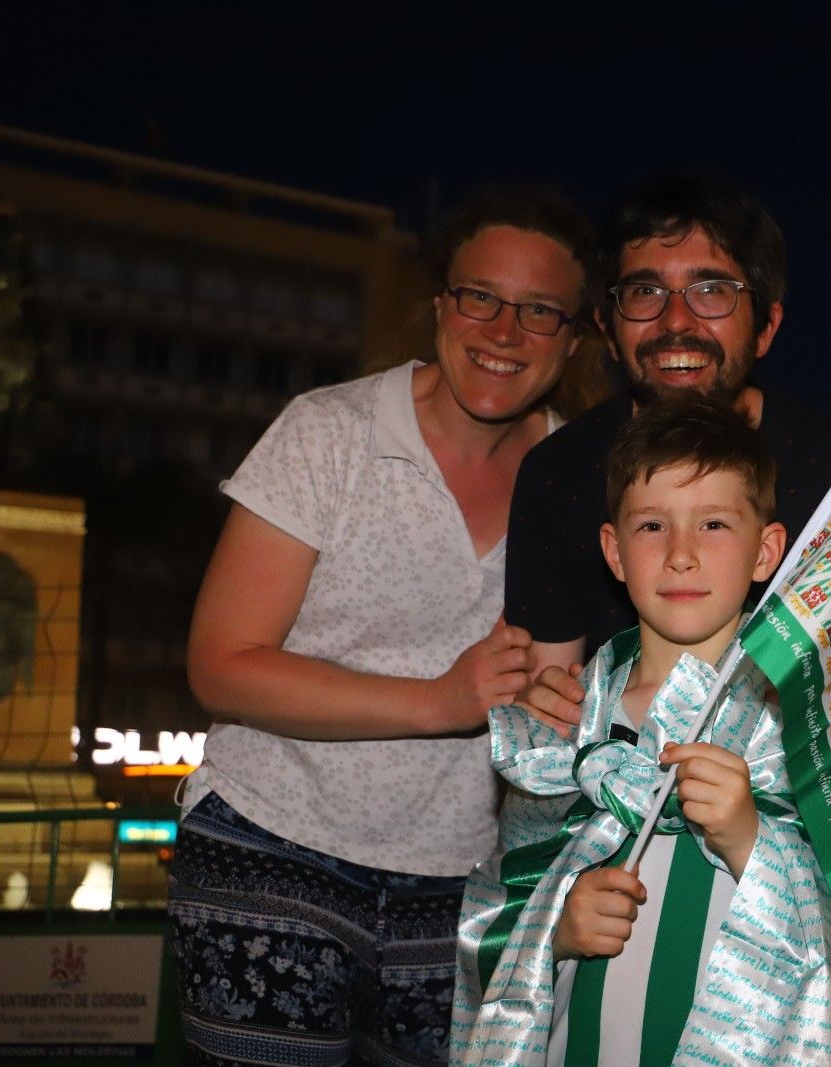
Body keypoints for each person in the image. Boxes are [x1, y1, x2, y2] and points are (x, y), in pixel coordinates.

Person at [170, 184, 600, 1066]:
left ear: (574, 334)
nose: (503, 330)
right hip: (273, 845)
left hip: (465, 884)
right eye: (479, 296)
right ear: (441, 305)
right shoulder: (331, 432)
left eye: (539, 311)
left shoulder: (583, 479)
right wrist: (440, 699)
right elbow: (220, 665)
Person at [451, 399, 831, 1066]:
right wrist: (557, 930)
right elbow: (502, 895)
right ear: (614, 551)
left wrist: (749, 837)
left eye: (714, 523)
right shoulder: (566, 727)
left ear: (767, 549)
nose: (681, 555)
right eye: (652, 525)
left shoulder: (801, 721)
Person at [507, 174, 831, 732]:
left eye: (712, 290)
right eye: (644, 293)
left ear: (766, 327)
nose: (675, 322)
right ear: (606, 325)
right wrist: (543, 712)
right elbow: (552, 697)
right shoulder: (559, 473)